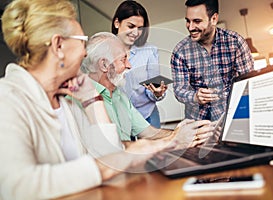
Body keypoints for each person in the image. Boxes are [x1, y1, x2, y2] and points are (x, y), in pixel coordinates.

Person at [0, 1, 178, 199]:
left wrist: (93, 99)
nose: (85, 52)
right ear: (59, 45)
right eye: (81, 42)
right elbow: (17, 187)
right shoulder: (6, 98)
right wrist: (126, 157)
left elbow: (109, 156)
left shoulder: (67, 101)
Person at [81, 32, 214, 146]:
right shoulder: (81, 101)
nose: (129, 65)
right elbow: (113, 149)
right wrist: (175, 139)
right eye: (123, 60)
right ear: (104, 64)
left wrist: (180, 133)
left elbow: (148, 132)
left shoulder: (120, 96)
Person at [171, 0, 254, 121]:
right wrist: (195, 96)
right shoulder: (180, 52)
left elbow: (248, 83)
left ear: (214, 19)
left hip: (232, 118)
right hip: (197, 123)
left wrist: (221, 95)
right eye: (188, 21)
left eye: (197, 21)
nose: (190, 27)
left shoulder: (235, 42)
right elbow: (179, 90)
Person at [111, 0, 167, 128]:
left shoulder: (150, 51)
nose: (136, 33)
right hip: (118, 117)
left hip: (146, 114)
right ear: (117, 23)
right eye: (131, 26)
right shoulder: (104, 51)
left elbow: (153, 86)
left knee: (155, 147)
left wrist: (157, 93)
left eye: (140, 28)